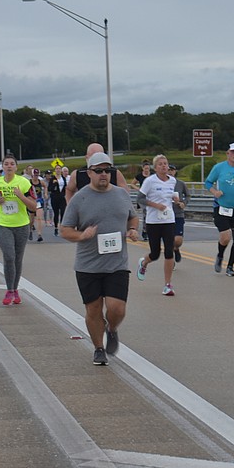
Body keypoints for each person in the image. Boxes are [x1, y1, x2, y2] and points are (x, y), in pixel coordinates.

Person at [60, 152, 140, 366]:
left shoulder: (121, 195)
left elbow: (133, 216)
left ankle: (112, 329)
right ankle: (98, 348)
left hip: (117, 263)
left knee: (117, 308)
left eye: (108, 170)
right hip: (88, 265)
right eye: (99, 171)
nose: (104, 174)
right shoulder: (80, 198)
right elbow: (65, 230)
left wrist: (132, 229)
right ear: (89, 173)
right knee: (93, 310)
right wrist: (82, 235)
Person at [0, 156, 38, 306]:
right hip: (3, 223)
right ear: (2, 167)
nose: (9, 166)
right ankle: (9, 290)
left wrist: (21, 196)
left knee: (17, 258)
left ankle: (15, 289)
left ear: (16, 167)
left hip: (22, 224)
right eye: (6, 164)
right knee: (9, 256)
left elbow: (33, 206)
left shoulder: (24, 182)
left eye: (12, 164)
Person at [204, 143, 234, 277]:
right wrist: (214, 191)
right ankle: (220, 256)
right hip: (221, 207)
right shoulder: (219, 168)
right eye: (232, 152)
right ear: (227, 154)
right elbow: (207, 182)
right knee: (225, 238)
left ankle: (230, 266)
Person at [136, 154, 178, 295]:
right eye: (160, 164)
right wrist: (155, 205)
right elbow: (140, 198)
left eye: (165, 163)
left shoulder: (172, 181)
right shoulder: (149, 181)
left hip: (169, 220)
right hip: (153, 220)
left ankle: (167, 285)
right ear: (155, 167)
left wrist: (176, 199)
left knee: (168, 251)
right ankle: (144, 263)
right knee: (155, 254)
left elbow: (171, 196)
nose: (164, 166)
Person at [64, 143, 130, 203]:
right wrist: (70, 206)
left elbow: (125, 192)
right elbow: (69, 190)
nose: (103, 174)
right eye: (98, 171)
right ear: (87, 158)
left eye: (106, 171)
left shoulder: (114, 172)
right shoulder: (78, 174)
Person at [168, 164, 189, 263]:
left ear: (175, 171)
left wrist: (183, 203)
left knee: (178, 240)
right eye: (168, 170)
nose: (170, 172)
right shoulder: (162, 183)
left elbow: (188, 195)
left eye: (172, 170)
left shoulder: (181, 184)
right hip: (166, 215)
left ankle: (176, 249)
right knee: (169, 239)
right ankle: (170, 260)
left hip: (178, 214)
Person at [48, 166, 70, 236]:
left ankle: (62, 228)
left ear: (61, 170)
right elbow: (49, 188)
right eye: (57, 169)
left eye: (59, 169)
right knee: (56, 213)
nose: (58, 170)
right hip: (55, 197)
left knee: (63, 212)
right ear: (55, 170)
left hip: (62, 198)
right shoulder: (52, 179)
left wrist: (66, 195)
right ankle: (56, 227)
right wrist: (54, 184)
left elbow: (65, 187)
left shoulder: (63, 178)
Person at [28, 168, 47, 242]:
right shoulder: (29, 182)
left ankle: (39, 234)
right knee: (32, 218)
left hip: (39, 201)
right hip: (31, 201)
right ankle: (30, 230)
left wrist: (45, 193)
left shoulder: (40, 182)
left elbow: (45, 186)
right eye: (35, 175)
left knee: (39, 217)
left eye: (37, 175)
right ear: (32, 175)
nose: (36, 177)